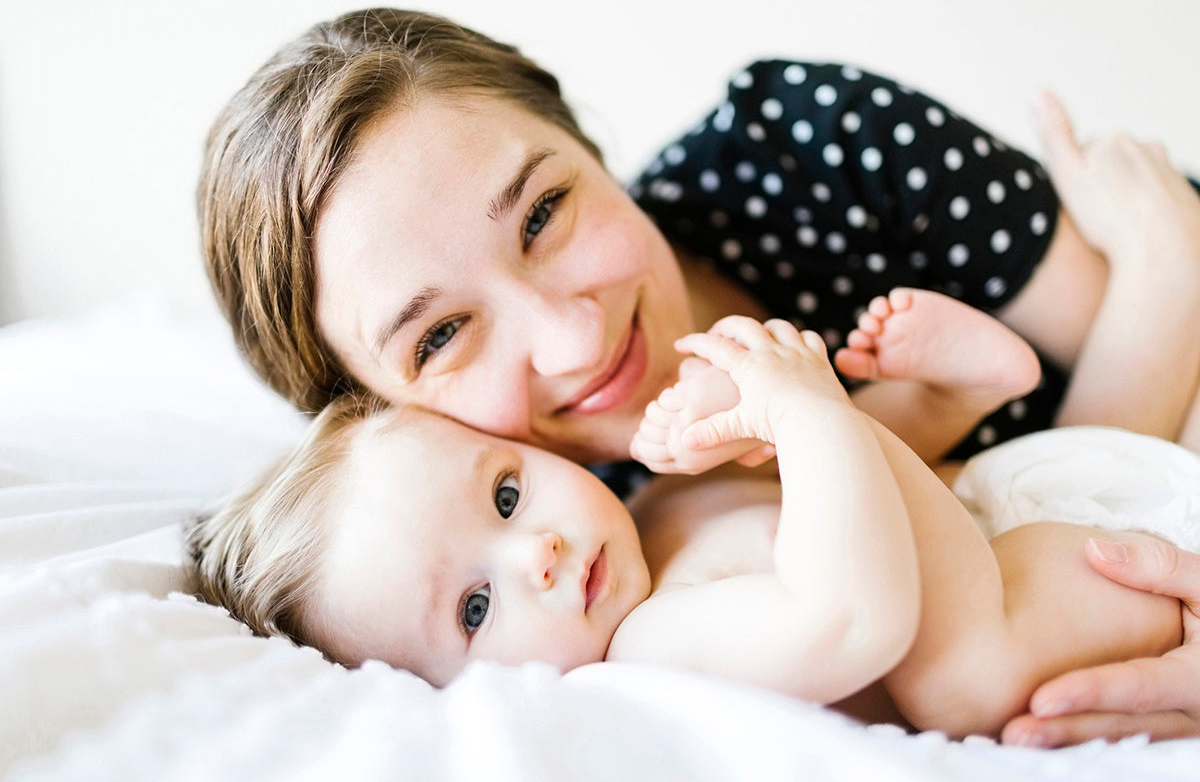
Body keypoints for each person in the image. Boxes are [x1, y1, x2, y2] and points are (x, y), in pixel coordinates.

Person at [197, 7, 1200, 743]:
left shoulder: (800, 152)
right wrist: (1163, 273)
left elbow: (1097, 452)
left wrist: (1169, 259)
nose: (573, 339)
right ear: (384, 415)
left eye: (543, 213)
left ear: (588, 145)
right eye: (442, 334)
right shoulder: (583, 562)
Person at [187, 291, 1189, 740]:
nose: (535, 551)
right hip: (1029, 617)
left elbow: (879, 498)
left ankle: (958, 395)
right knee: (960, 678)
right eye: (476, 608)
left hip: (1011, 509)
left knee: (836, 485)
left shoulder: (655, 507)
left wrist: (864, 423)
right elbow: (855, 615)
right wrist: (800, 408)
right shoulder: (647, 646)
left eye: (504, 493)